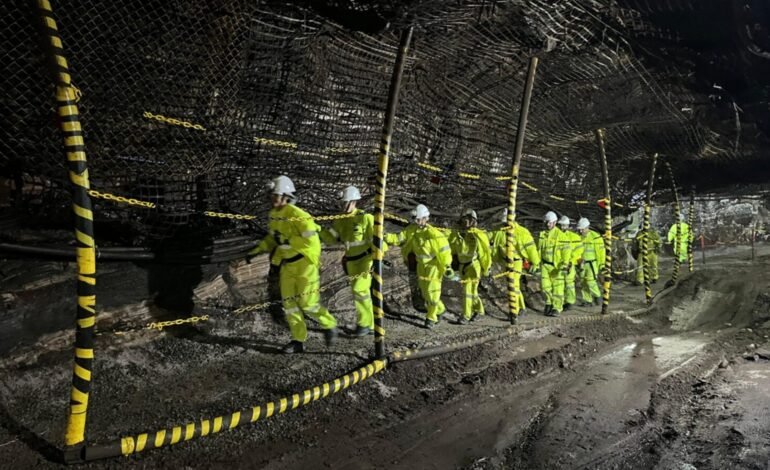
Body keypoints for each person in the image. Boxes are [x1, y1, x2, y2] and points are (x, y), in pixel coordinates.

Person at [247, 176, 338, 354]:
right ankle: (298, 340)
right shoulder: (274, 216)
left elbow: (313, 243)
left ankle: (329, 323)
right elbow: (272, 239)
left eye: (277, 195)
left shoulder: (300, 216)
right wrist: (256, 251)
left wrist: (288, 240)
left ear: (286, 195)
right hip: (287, 266)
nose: (274, 199)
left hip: (305, 264)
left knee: (307, 304)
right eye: (272, 195)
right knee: (289, 305)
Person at [385, 204, 454, 329]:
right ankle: (441, 309)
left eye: (419, 219)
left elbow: (444, 252)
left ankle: (431, 317)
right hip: (421, 266)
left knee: (432, 292)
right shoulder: (412, 230)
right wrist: (386, 236)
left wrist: (447, 267)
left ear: (426, 218)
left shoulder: (434, 234)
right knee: (425, 293)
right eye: (415, 219)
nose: (417, 222)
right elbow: (399, 238)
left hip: (433, 266)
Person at [319, 186, 375, 337]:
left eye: (345, 203)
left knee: (360, 290)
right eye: (341, 203)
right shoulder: (340, 221)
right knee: (361, 294)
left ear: (353, 201)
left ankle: (363, 325)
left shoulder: (365, 218)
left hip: (365, 260)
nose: (342, 206)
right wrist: (317, 229)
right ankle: (370, 324)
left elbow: (377, 241)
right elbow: (330, 238)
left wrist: (378, 258)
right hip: (350, 261)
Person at [488, 208, 540, 318]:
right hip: (504, 262)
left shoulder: (521, 232)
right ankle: (522, 307)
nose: (505, 223)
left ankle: (514, 312)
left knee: (513, 286)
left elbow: (531, 248)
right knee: (513, 286)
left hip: (516, 262)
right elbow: (487, 237)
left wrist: (535, 262)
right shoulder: (499, 231)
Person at [449, 209, 491, 324]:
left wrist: (486, 269)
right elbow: (451, 246)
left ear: (473, 221)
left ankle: (466, 316)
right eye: (464, 219)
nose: (465, 222)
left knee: (467, 290)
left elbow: (485, 253)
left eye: (468, 219)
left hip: (474, 266)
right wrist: (452, 262)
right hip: (463, 266)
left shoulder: (478, 235)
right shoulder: (456, 233)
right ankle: (480, 310)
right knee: (472, 292)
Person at [538, 211, 570, 317]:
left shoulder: (561, 236)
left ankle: (557, 307)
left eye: (550, 222)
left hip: (557, 266)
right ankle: (549, 303)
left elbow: (566, 251)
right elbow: (539, 250)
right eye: (547, 222)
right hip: (545, 265)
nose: (548, 224)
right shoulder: (542, 235)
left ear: (555, 222)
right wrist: (536, 263)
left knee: (558, 288)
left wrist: (565, 264)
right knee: (545, 287)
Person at [576, 217, 604, 306]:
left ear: (587, 227)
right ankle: (587, 300)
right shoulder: (578, 237)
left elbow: (601, 253)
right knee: (583, 282)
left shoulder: (596, 237)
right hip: (582, 264)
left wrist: (602, 265)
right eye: (579, 229)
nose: (580, 231)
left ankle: (597, 296)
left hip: (592, 263)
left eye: (582, 229)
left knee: (590, 281)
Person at [558, 216, 582, 310]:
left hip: (569, 264)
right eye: (561, 225)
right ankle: (560, 302)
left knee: (569, 283)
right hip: (558, 263)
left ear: (568, 225)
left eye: (565, 225)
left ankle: (570, 302)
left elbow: (579, 250)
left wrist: (571, 260)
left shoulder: (574, 237)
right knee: (558, 284)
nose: (563, 227)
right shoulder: (556, 235)